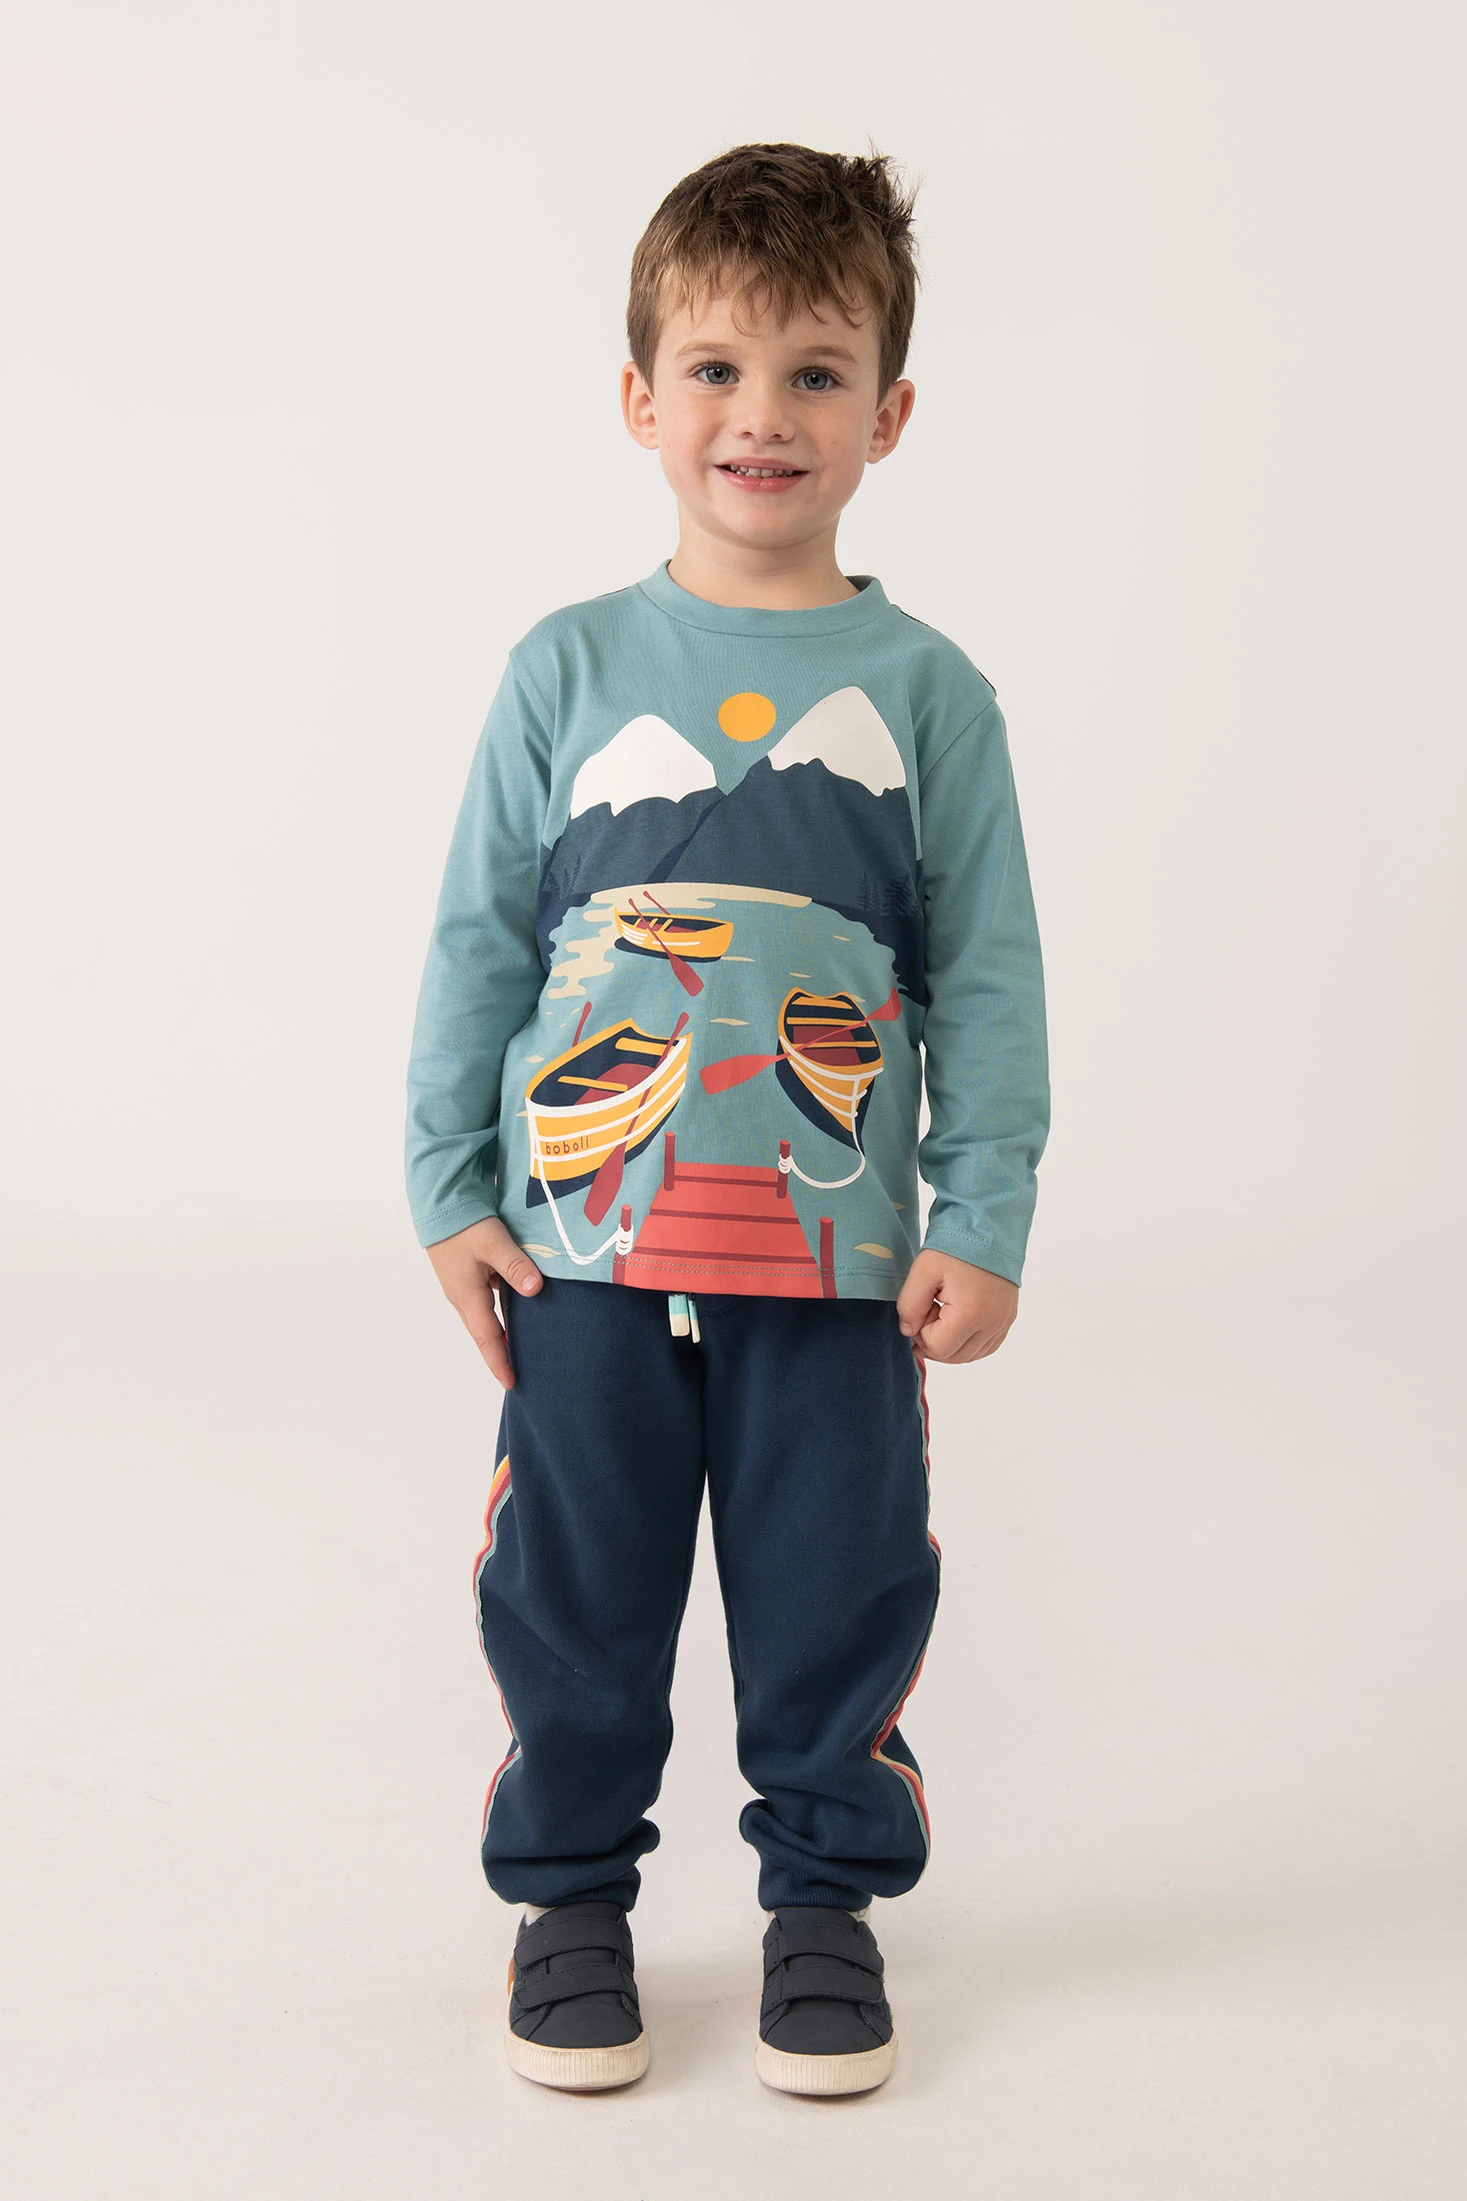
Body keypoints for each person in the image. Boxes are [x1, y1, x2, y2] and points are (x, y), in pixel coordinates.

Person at [404, 140, 1049, 2098]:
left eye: (813, 372)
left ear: (888, 414)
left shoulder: (928, 694)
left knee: (835, 1579)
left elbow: (988, 975)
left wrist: (980, 1213)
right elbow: (476, 937)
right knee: (572, 1585)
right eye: (714, 368)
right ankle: (567, 1899)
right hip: (583, 1253)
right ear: (638, 396)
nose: (760, 415)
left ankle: (824, 1903)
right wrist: (447, 1185)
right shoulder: (566, 667)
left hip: (837, 1262)